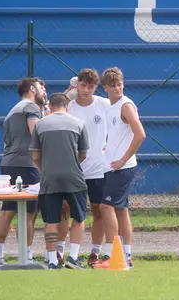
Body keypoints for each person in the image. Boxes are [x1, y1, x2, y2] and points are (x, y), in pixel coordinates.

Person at [0, 77, 47, 268]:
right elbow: (37, 135)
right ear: (32, 89)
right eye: (41, 88)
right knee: (28, 212)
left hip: (9, 163)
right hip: (27, 165)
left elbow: (6, 143)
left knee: (8, 209)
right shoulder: (31, 107)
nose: (43, 91)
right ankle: (26, 255)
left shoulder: (11, 111)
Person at [55, 69, 111, 267]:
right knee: (65, 210)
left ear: (96, 87)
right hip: (73, 169)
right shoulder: (68, 106)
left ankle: (95, 252)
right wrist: (68, 91)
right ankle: (59, 251)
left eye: (90, 86)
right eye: (83, 85)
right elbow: (51, 113)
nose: (86, 90)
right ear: (77, 85)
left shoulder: (104, 105)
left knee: (98, 211)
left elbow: (123, 112)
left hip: (98, 169)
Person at [93, 67, 146, 269]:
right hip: (113, 166)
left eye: (120, 84)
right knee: (121, 209)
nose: (117, 88)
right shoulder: (110, 106)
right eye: (113, 85)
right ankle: (126, 255)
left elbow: (140, 134)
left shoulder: (125, 106)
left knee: (105, 207)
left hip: (122, 167)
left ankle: (110, 255)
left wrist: (123, 159)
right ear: (105, 88)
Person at [30, 92, 89, 269]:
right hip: (74, 178)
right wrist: (72, 164)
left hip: (49, 178)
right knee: (79, 217)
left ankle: (52, 261)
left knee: (51, 221)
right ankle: (73, 258)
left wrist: (45, 169)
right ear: (67, 106)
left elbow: (35, 156)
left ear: (50, 106)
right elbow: (83, 153)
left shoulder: (40, 125)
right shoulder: (79, 123)